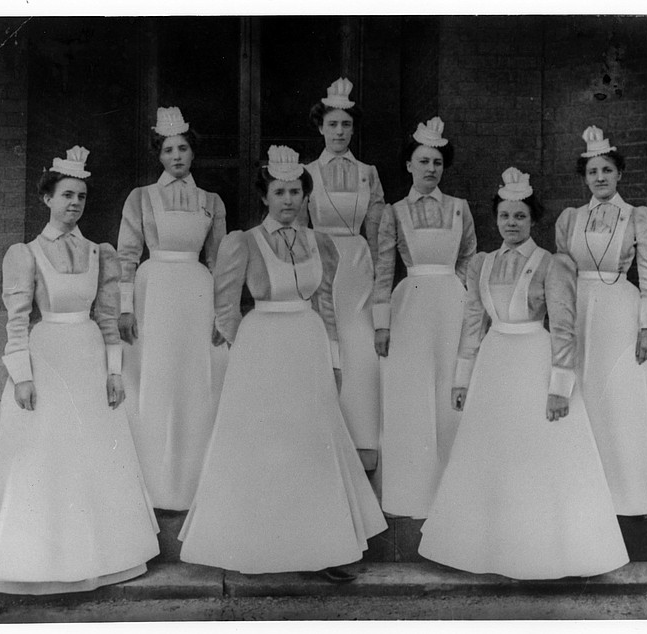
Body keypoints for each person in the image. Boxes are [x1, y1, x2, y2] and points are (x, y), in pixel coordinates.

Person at [0, 147, 159, 594]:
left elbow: (107, 319)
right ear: (47, 198)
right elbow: (17, 321)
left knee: (94, 451)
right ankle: (34, 555)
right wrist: (22, 375)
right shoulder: (25, 254)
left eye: (81, 196)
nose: (74, 204)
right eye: (66, 195)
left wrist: (114, 371)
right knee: (42, 455)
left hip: (87, 356)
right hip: (48, 359)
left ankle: (101, 555)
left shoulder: (98, 252)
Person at [178, 146, 387, 580]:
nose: (288, 200)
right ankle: (257, 545)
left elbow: (327, 305)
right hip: (263, 344)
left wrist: (333, 361)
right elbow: (224, 307)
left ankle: (323, 547)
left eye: (295, 192)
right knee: (266, 443)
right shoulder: (243, 241)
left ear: (305, 197)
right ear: (265, 197)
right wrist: (248, 352)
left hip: (308, 341)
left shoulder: (321, 243)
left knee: (311, 442)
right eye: (280, 192)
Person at [418, 167, 629, 579]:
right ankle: (490, 549)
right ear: (494, 219)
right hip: (495, 363)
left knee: (537, 455)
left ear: (533, 221)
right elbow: (473, 323)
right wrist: (462, 378)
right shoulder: (482, 263)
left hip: (533, 361)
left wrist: (559, 388)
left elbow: (564, 329)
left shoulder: (551, 264)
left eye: (520, 217)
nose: (511, 224)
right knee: (492, 451)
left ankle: (542, 548)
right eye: (504, 216)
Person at [555, 126, 647, 517]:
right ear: (584, 177)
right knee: (583, 390)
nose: (600, 178)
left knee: (621, 397)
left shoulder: (637, 217)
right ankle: (583, 491)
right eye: (592, 172)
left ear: (619, 174)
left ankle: (632, 493)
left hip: (621, 312)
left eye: (607, 171)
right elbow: (560, 276)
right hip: (579, 310)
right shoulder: (570, 218)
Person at [117, 106, 228, 511]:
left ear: (192, 152)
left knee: (194, 380)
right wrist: (126, 307)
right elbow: (127, 256)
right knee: (156, 380)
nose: (176, 157)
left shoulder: (210, 201)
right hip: (155, 292)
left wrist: (223, 311)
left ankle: (192, 483)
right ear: (158, 155)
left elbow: (220, 262)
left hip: (197, 294)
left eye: (182, 148)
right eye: (168, 150)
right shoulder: (141, 197)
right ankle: (155, 483)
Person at [372, 117, 476, 518]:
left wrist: (460, 291)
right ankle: (411, 493)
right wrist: (382, 323)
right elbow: (384, 269)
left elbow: (468, 255)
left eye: (437, 162)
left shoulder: (459, 208)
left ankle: (451, 493)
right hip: (411, 305)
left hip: (451, 302)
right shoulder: (394, 212)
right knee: (412, 394)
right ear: (409, 166)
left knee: (449, 392)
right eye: (423, 161)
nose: (431, 169)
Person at [295, 77, 385, 460]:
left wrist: (381, 279)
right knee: (323, 344)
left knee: (360, 346)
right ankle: (320, 444)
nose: (339, 131)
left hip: (359, 264)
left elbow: (379, 234)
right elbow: (297, 230)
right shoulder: (306, 172)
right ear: (320, 127)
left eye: (346, 124)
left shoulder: (368, 172)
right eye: (332, 124)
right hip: (319, 259)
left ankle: (363, 445)